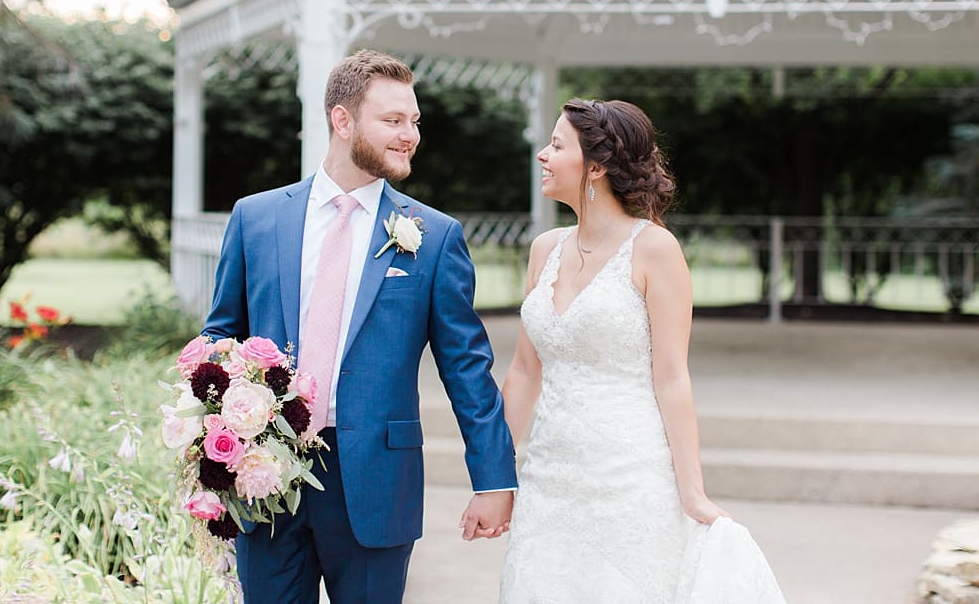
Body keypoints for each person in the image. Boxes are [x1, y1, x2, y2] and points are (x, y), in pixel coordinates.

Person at [203, 50, 517, 604]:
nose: (409, 135)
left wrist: (493, 477)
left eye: (414, 121)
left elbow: (466, 366)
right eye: (393, 120)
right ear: (342, 121)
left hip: (376, 483)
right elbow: (219, 339)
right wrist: (209, 448)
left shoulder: (435, 236)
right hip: (266, 477)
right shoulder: (256, 218)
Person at [499, 98, 729, 603]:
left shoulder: (655, 250)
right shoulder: (545, 249)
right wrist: (493, 476)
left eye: (557, 145)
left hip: (629, 477)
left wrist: (692, 490)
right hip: (548, 480)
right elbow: (523, 372)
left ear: (597, 166)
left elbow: (672, 379)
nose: (542, 154)